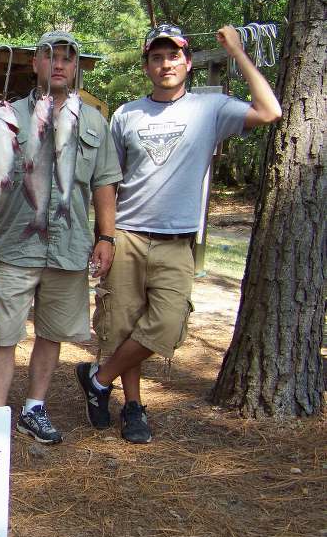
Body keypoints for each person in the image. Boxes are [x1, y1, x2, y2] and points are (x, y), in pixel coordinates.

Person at [75, 24, 281, 443]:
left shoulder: (212, 109)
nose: (165, 64)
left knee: (168, 326)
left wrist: (239, 53)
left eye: (173, 56)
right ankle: (132, 407)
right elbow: (108, 182)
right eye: (156, 57)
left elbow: (270, 111)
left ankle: (98, 379)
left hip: (177, 240)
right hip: (128, 234)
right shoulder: (127, 114)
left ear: (187, 62)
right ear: (147, 65)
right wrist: (105, 236)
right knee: (124, 324)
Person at [0, 30, 121, 444]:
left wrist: (106, 237)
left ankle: (33, 408)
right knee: (4, 333)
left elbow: (105, 183)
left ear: (76, 68)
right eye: (49, 55)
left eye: (67, 58)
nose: (58, 63)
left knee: (51, 332)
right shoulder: (8, 115)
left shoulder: (93, 121)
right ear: (34, 63)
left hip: (70, 246)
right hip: (17, 242)